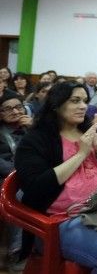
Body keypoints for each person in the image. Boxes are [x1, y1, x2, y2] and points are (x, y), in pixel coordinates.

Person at [14, 82, 97, 273]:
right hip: (64, 219)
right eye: (75, 101)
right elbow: (36, 186)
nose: (83, 106)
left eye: (84, 101)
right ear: (56, 105)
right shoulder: (36, 139)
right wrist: (81, 153)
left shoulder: (91, 130)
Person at [0, 93, 32, 269]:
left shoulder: (32, 127)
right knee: (19, 195)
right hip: (7, 179)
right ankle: (17, 251)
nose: (15, 111)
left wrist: (34, 129)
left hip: (32, 175)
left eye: (18, 107)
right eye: (8, 109)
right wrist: (19, 172)